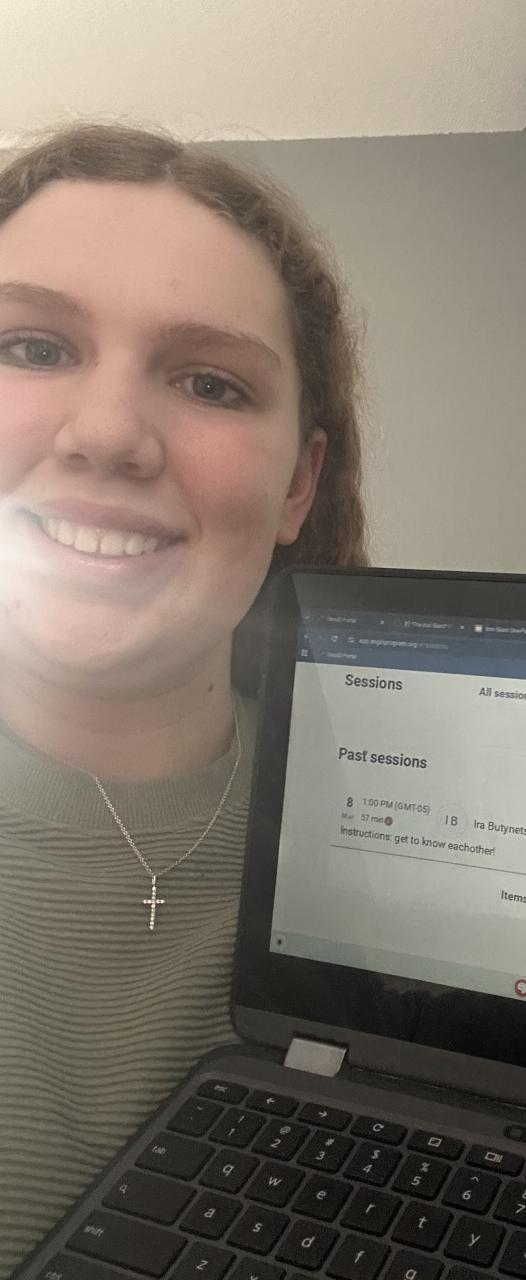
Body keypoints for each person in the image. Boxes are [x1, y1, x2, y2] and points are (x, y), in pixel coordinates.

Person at [0, 120, 367, 1274]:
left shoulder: (405, 844)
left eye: (211, 382)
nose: (108, 434)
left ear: (299, 482)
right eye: (31, 347)